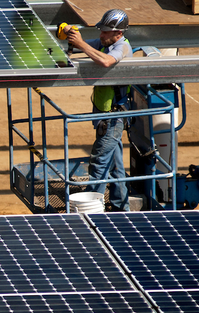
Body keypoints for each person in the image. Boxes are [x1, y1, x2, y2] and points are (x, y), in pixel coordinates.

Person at [64, 10, 132, 211]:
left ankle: (90, 212)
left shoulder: (122, 47)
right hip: (106, 117)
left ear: (118, 33)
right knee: (116, 167)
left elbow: (106, 61)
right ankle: (122, 208)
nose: (101, 36)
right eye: (101, 31)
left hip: (113, 118)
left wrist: (81, 44)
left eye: (105, 32)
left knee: (99, 163)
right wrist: (70, 33)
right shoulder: (106, 43)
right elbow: (83, 47)